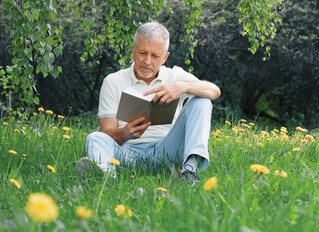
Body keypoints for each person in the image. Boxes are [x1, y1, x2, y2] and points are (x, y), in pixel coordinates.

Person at [77, 21, 221, 183]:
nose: (147, 61)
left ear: (165, 57)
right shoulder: (113, 81)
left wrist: (183, 86)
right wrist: (125, 133)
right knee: (95, 137)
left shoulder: (175, 77)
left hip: (166, 151)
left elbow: (214, 91)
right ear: (133, 51)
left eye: (155, 56)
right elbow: (107, 131)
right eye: (143, 53)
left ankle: (189, 172)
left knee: (202, 100)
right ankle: (105, 176)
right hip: (126, 154)